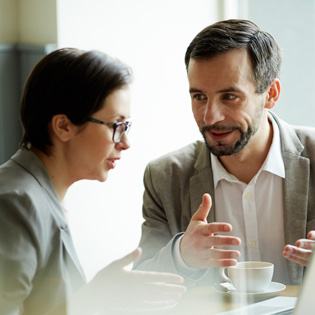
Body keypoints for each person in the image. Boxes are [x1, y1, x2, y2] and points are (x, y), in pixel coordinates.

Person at [0, 48, 186, 315]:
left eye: (126, 126)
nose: (126, 143)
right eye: (115, 126)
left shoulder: (41, 195)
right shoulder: (14, 203)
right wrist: (94, 298)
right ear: (63, 126)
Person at [133, 19, 315, 288]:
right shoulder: (165, 177)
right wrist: (181, 256)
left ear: (271, 94)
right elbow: (141, 284)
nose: (210, 116)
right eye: (199, 97)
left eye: (229, 96)